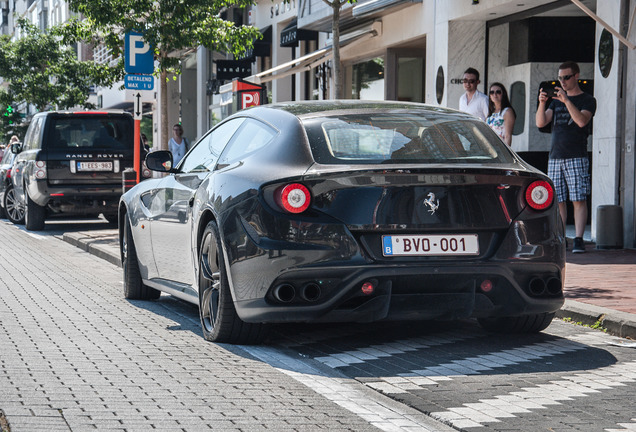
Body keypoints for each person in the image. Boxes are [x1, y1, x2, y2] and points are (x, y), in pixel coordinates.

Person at [536, 61, 596, 253]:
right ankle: (561, 238)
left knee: (578, 198)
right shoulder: (555, 101)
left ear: (577, 76)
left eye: (567, 77)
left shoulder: (587, 100)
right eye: (560, 78)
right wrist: (543, 102)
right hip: (555, 156)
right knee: (558, 200)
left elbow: (581, 121)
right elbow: (541, 122)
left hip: (576, 155)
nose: (563, 81)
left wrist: (567, 101)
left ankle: (578, 238)